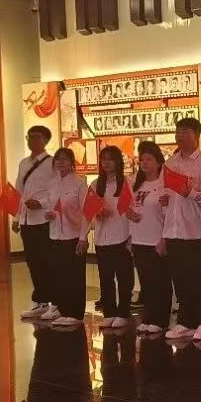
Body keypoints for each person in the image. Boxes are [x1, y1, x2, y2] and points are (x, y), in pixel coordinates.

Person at [161, 118, 201, 343]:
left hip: (199, 231)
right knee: (181, 278)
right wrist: (164, 199)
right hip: (174, 230)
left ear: (196, 135)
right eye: (177, 131)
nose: (180, 135)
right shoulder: (170, 163)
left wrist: (191, 193)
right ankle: (186, 321)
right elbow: (166, 193)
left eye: (185, 131)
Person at [13, 125, 58, 320]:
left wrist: (41, 203)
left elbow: (57, 191)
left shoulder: (52, 163)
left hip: (43, 220)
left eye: (36, 137)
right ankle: (40, 301)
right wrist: (16, 217)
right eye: (29, 137)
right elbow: (18, 192)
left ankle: (56, 302)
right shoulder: (24, 163)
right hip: (26, 221)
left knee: (48, 262)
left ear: (45, 140)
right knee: (33, 262)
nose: (32, 141)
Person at [42, 148, 89, 328]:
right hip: (55, 235)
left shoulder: (79, 183)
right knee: (59, 275)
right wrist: (49, 214)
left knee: (74, 276)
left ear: (71, 162)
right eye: (58, 159)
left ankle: (76, 313)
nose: (61, 162)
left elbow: (86, 212)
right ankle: (63, 309)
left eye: (65, 159)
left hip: (74, 236)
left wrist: (83, 237)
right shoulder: (52, 183)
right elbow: (50, 206)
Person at [91, 146, 135, 330]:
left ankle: (123, 312)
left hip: (122, 236)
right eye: (103, 159)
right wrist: (97, 214)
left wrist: (132, 237)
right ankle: (109, 313)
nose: (106, 163)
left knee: (124, 277)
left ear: (118, 161)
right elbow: (88, 211)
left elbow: (133, 209)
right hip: (102, 238)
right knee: (105, 278)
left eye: (110, 159)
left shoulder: (127, 183)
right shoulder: (95, 185)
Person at [129, 142, 169, 335]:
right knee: (145, 282)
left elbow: (169, 215)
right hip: (139, 239)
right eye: (142, 159)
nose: (144, 163)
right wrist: (129, 215)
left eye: (149, 159)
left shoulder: (163, 185)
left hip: (156, 240)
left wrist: (164, 239)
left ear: (159, 162)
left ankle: (161, 320)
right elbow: (129, 207)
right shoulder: (136, 184)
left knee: (159, 282)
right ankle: (148, 317)